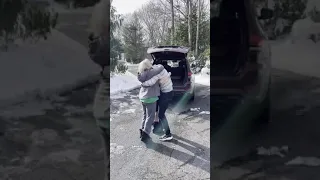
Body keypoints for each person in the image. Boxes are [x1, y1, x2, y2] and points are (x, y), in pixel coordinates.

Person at [87, 0, 109, 179]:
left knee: (109, 163)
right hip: (109, 109)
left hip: (101, 106)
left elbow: (93, 53)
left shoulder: (101, 8)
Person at [140, 61, 173, 141]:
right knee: (157, 112)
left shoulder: (156, 74)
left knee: (161, 114)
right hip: (167, 92)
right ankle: (157, 127)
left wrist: (142, 82)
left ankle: (168, 134)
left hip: (166, 93)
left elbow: (149, 83)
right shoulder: (159, 68)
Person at [137, 59, 164, 142]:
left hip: (143, 97)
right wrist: (154, 66)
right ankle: (146, 134)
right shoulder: (150, 72)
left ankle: (142, 131)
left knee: (145, 115)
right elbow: (161, 67)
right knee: (150, 117)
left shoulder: (141, 74)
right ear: (148, 65)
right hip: (150, 97)